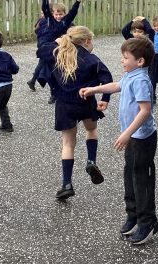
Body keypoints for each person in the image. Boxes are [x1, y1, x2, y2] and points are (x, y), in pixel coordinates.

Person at [80, 37, 158, 245]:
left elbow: (145, 111)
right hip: (132, 137)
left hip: (142, 139)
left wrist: (127, 133)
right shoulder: (130, 75)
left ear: (140, 61)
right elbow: (117, 85)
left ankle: (147, 222)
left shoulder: (141, 80)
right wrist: (94, 89)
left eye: (126, 58)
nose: (122, 61)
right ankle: (133, 215)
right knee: (130, 175)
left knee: (141, 179)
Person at [36, 26, 113, 200]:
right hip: (86, 102)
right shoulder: (92, 59)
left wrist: (57, 41)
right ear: (87, 41)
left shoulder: (57, 54)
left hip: (64, 105)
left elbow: (40, 50)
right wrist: (105, 98)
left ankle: (67, 184)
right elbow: (107, 78)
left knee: (68, 144)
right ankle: (91, 161)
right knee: (91, 130)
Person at [38, 0, 84, 104]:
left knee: (62, 72)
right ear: (53, 14)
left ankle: (64, 91)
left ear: (64, 14)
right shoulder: (50, 20)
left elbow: (73, 12)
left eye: (61, 14)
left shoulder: (66, 21)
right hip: (52, 48)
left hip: (63, 48)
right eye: (56, 14)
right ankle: (53, 93)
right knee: (48, 73)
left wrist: (78, 1)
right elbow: (45, 8)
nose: (58, 16)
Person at [27, 12, 48, 91]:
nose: (42, 15)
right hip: (45, 46)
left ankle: (33, 80)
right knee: (42, 64)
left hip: (42, 45)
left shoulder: (42, 20)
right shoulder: (44, 21)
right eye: (42, 13)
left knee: (42, 64)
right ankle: (33, 80)